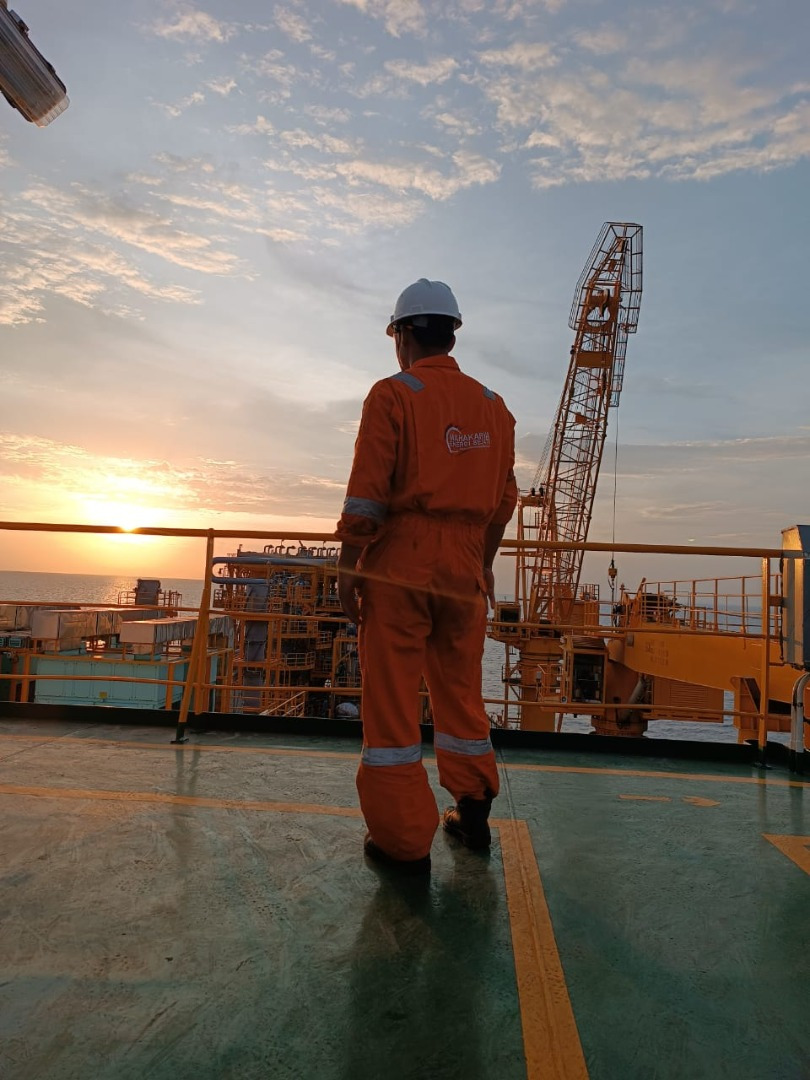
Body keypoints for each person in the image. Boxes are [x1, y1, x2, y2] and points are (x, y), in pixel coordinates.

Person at [334, 278, 517, 875]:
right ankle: (473, 809)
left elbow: (367, 497)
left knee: (391, 702)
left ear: (403, 336)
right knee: (460, 692)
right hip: (465, 568)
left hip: (402, 566)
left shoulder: (393, 395)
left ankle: (403, 842)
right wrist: (482, 563)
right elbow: (503, 503)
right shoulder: (495, 407)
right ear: (451, 335)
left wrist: (348, 567)